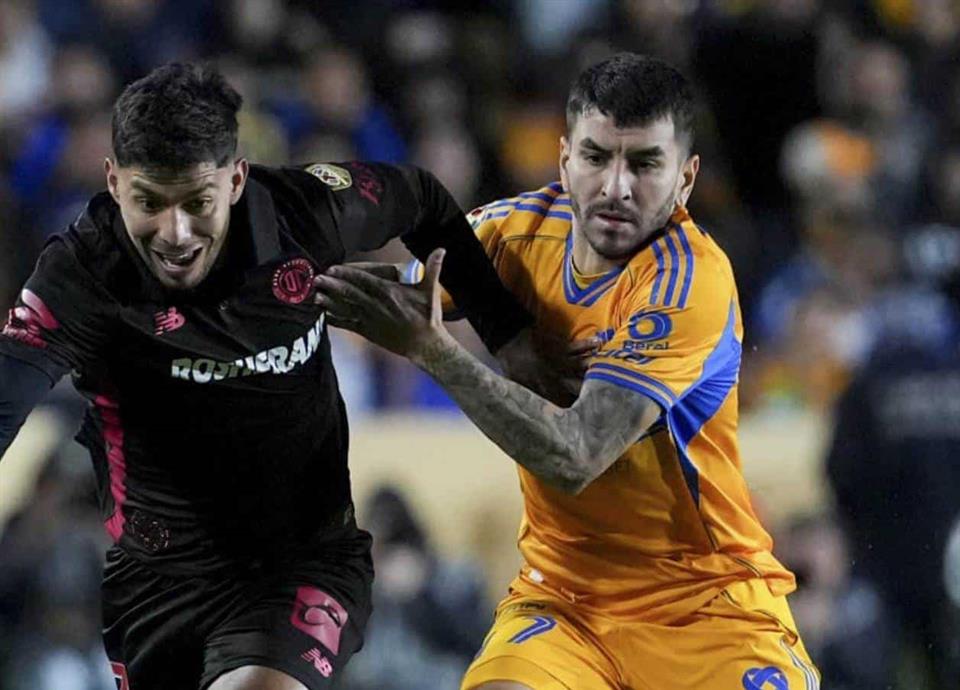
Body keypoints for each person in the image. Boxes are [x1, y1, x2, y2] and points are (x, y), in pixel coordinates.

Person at [0, 62, 535, 690]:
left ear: (235, 179)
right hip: (156, 583)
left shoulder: (304, 212)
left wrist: (510, 335)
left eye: (197, 202)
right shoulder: (81, 272)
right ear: (114, 181)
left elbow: (420, 198)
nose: (175, 233)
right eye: (149, 203)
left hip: (302, 562)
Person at [314, 53, 821, 690]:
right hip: (564, 603)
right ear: (564, 159)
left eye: (645, 164)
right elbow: (381, 297)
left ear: (686, 179)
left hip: (705, 606)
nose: (615, 187)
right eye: (596, 156)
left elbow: (576, 455)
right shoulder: (512, 233)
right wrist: (249, 274)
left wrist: (434, 351)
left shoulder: (688, 282)